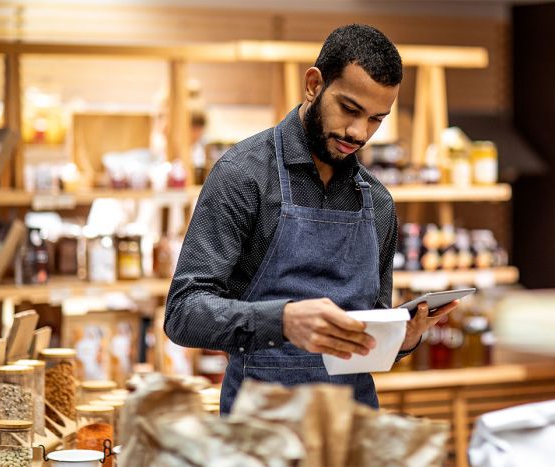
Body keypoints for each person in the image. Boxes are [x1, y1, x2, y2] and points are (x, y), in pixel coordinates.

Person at [164, 24, 459, 414]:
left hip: (351, 430)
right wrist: (282, 320)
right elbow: (184, 313)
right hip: (260, 432)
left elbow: (369, 335)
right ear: (313, 85)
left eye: (376, 120)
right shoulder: (243, 175)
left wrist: (402, 339)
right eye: (349, 110)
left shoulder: (379, 203)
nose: (358, 132)